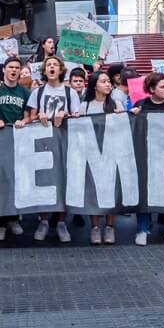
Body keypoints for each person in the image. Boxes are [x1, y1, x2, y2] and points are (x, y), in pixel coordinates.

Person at [23, 56, 81, 244]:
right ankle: (44, 221)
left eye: (55, 65)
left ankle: (62, 222)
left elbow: (78, 117)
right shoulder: (37, 92)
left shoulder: (70, 92)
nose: (51, 67)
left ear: (61, 69)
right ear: (44, 70)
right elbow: (29, 117)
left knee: (63, 182)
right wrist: (38, 115)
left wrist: (66, 115)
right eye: (48, 65)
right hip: (43, 143)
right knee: (45, 181)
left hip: (65, 142)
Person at [130, 72, 164, 247]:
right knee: (144, 194)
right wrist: (133, 115)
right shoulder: (141, 105)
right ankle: (142, 229)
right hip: (145, 156)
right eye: (162, 86)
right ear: (152, 89)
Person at [0, 56, 29, 240]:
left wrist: (23, 121)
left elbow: (29, 116)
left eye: (17, 68)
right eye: (11, 67)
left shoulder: (25, 92)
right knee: (0, 180)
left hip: (18, 141)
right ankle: (0, 222)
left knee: (16, 180)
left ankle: (13, 218)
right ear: (4, 70)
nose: (14, 70)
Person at [80, 71, 120, 244]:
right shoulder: (85, 107)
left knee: (111, 190)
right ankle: (95, 227)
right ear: (94, 85)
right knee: (92, 191)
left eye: (109, 81)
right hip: (90, 154)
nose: (108, 84)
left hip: (111, 154)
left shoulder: (116, 104)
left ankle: (110, 227)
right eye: (103, 81)